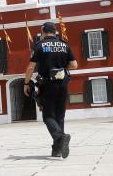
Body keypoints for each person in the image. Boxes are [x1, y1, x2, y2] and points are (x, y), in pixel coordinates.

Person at [24, 22, 78, 158]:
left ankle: (60, 138)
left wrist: (26, 83)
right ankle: (57, 150)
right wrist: (61, 68)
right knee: (59, 116)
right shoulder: (64, 45)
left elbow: (31, 67)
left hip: (48, 84)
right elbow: (74, 65)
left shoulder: (39, 45)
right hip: (63, 83)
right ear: (55, 32)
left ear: (43, 31)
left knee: (48, 115)